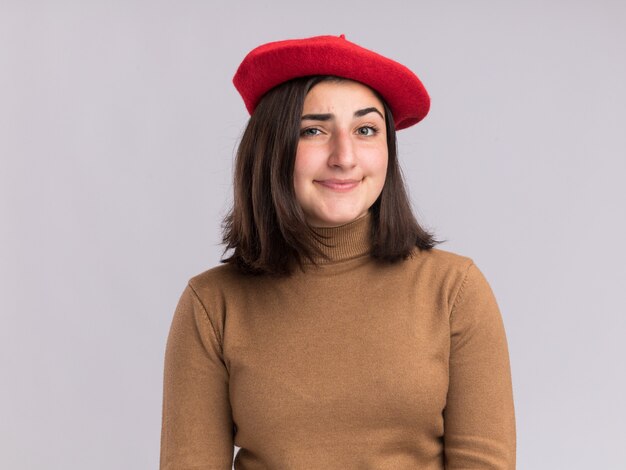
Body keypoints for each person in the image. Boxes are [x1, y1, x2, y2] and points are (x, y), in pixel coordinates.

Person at [159, 34, 516, 469]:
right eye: (314, 130)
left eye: (366, 130)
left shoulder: (455, 290)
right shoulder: (212, 304)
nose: (344, 157)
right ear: (271, 150)